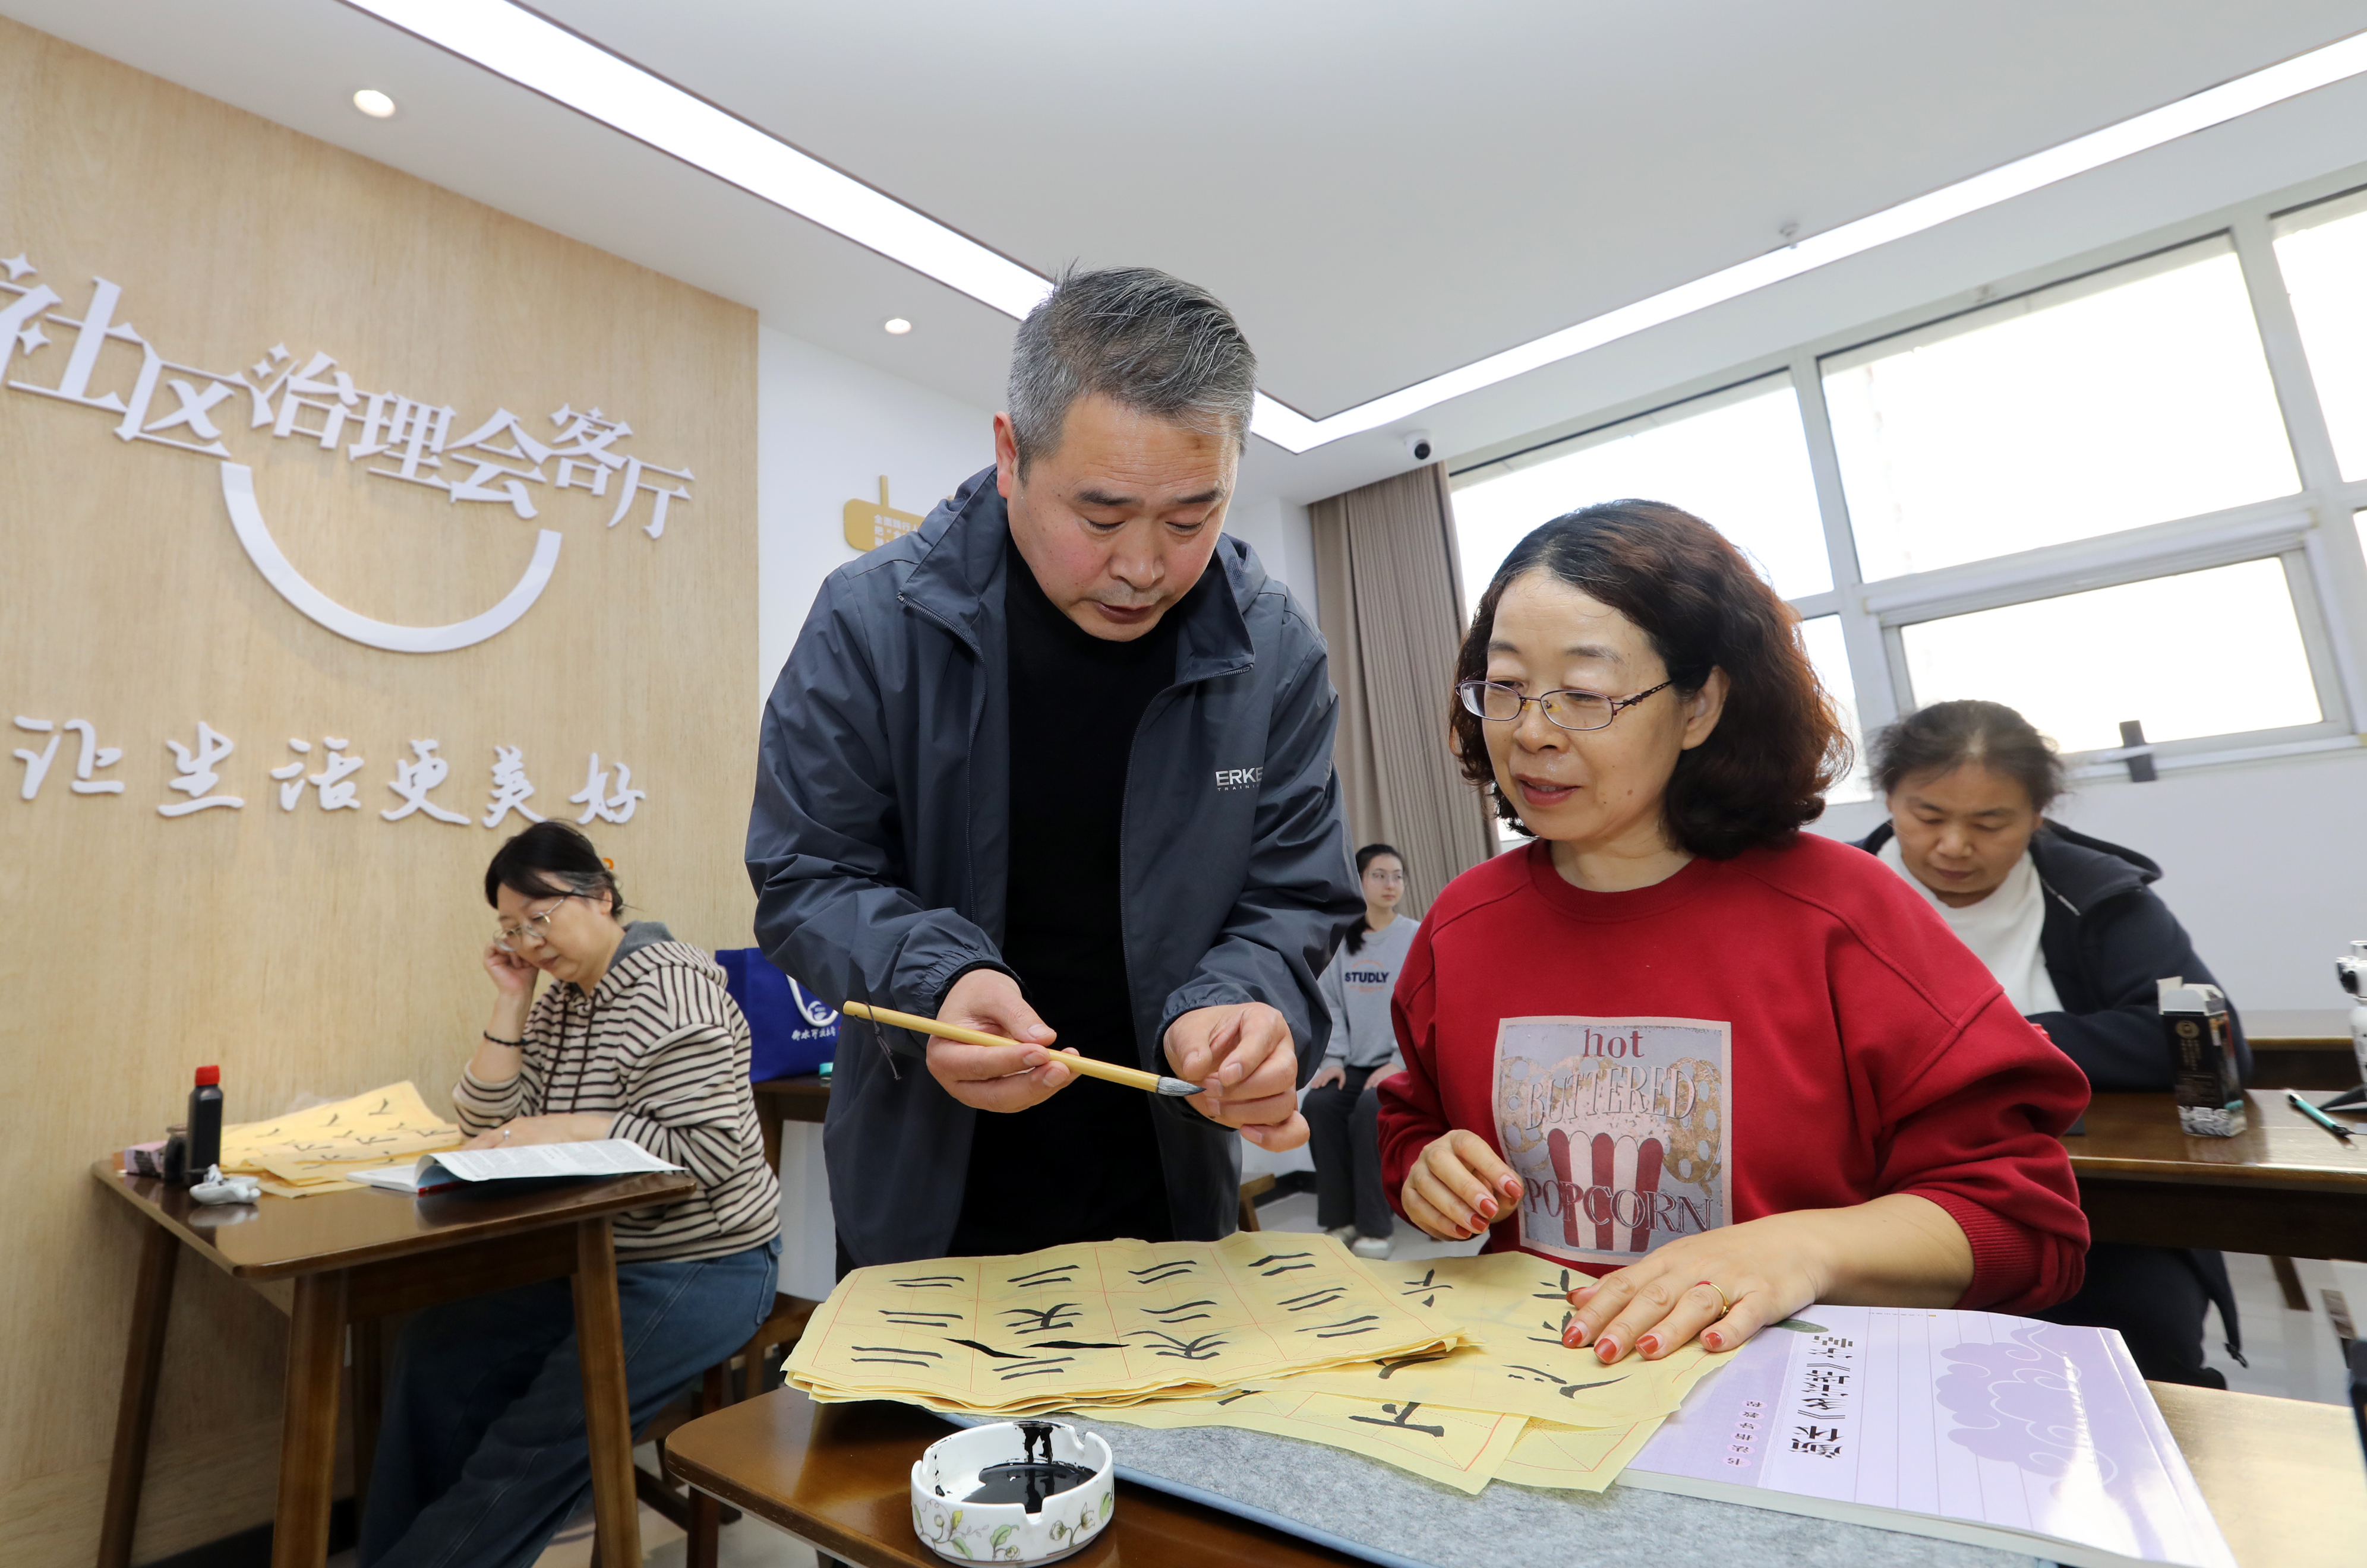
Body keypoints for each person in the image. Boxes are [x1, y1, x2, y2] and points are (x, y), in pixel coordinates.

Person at [746, 266, 1362, 1270]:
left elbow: (1293, 893)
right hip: (928, 1191)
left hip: (1168, 1183)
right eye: (1102, 517)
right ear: (1010, 454)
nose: (1143, 567)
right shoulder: (873, 622)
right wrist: (938, 981)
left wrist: (1239, 1002)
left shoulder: (1271, 649)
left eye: (1191, 519)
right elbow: (804, 875)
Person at [1379, 499, 2090, 1368]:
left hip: (1794, 1392)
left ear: (1699, 707)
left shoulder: (1843, 914)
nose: (1531, 732)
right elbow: (1412, 1121)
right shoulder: (1461, 925)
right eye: (1506, 688)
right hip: (1546, 1387)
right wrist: (1427, 1167)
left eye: (1584, 696)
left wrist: (1798, 1250)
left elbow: (2022, 1222)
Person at [361, 822, 782, 1568]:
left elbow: (709, 1151)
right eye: (511, 928)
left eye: (540, 917)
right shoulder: (563, 1000)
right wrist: (511, 1001)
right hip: (591, 1256)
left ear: (602, 896)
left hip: (703, 1265)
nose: (528, 941)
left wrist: (573, 1124)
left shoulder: (670, 987)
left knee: (539, 1438)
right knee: (435, 1349)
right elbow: (487, 1127)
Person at [1858, 698, 2247, 1386]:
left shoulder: (2094, 892)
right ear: (1890, 800)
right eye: (1928, 816)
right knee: (1893, 1372)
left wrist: (1998, 1040)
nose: (1955, 846)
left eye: (1990, 823)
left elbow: (2206, 1042)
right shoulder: (1833, 898)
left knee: (2138, 1363)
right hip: (1880, 1200)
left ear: (2038, 815)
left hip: (2096, 1208)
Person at [1308, 843, 1415, 1259]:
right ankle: (1341, 1219)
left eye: (1398, 876)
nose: (1391, 884)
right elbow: (1330, 1004)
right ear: (1359, 881)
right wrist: (1333, 1061)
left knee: (1371, 1109)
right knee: (1319, 1104)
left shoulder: (1414, 936)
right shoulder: (1340, 942)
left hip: (1404, 1067)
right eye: (1379, 875)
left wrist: (1397, 1063)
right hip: (1355, 1064)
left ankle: (1375, 1226)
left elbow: (1423, 1006)